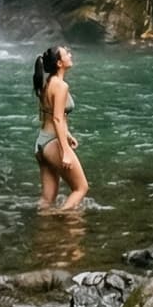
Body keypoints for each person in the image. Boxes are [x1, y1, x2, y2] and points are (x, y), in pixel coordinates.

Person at [32, 45, 88, 211]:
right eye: (66, 54)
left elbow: (52, 114)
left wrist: (68, 134)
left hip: (41, 143)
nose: (70, 55)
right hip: (53, 143)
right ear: (59, 63)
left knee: (47, 199)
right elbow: (57, 119)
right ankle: (63, 220)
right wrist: (64, 151)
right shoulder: (61, 86)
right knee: (81, 188)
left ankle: (45, 231)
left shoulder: (47, 83)